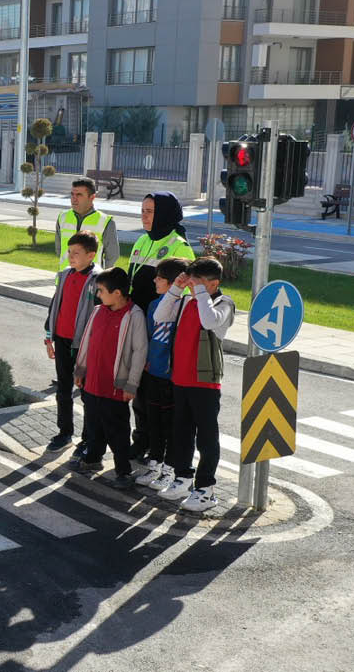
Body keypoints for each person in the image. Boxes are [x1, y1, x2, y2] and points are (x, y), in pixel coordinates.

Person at [155, 258, 235, 513]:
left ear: (214, 283)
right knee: (181, 432)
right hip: (181, 378)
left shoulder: (224, 304)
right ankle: (183, 477)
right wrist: (176, 289)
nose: (193, 287)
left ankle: (205, 489)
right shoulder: (188, 300)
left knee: (207, 437)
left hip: (205, 382)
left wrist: (200, 292)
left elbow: (211, 322)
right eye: (192, 282)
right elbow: (160, 315)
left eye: (199, 283)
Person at [126, 191, 195, 462]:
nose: (143, 216)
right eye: (142, 210)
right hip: (137, 326)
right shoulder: (142, 241)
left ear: (164, 214)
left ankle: (159, 447)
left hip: (159, 332)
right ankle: (141, 439)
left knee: (157, 396)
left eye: (150, 211)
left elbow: (183, 296)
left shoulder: (179, 246)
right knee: (138, 391)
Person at [71, 267, 148, 489]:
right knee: (93, 424)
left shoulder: (134, 316)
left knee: (117, 430)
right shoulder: (97, 311)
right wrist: (80, 370)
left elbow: (140, 351)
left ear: (117, 293)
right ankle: (93, 458)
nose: (98, 295)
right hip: (92, 383)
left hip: (115, 387)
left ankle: (123, 470)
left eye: (101, 291)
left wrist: (131, 384)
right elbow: (86, 341)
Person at [43, 231, 103, 452]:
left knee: (87, 394)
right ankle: (64, 432)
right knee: (63, 390)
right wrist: (49, 336)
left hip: (84, 347)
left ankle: (88, 438)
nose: (71, 256)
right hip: (62, 341)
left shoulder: (98, 280)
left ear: (91, 255)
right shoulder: (66, 274)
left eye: (76, 253)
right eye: (69, 252)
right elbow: (54, 306)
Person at [135, 257, 191, 491]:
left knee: (171, 426)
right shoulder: (153, 305)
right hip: (154, 372)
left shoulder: (186, 305)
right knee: (154, 421)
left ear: (174, 282)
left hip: (173, 376)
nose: (154, 280)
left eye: (160, 277)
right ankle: (155, 463)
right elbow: (149, 337)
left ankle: (170, 469)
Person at [54, 178, 119, 271]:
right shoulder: (62, 217)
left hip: (91, 281)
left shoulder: (106, 221)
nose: (74, 198)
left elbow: (112, 256)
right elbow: (59, 250)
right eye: (72, 194)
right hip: (65, 280)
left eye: (79, 195)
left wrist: (102, 279)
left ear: (92, 197)